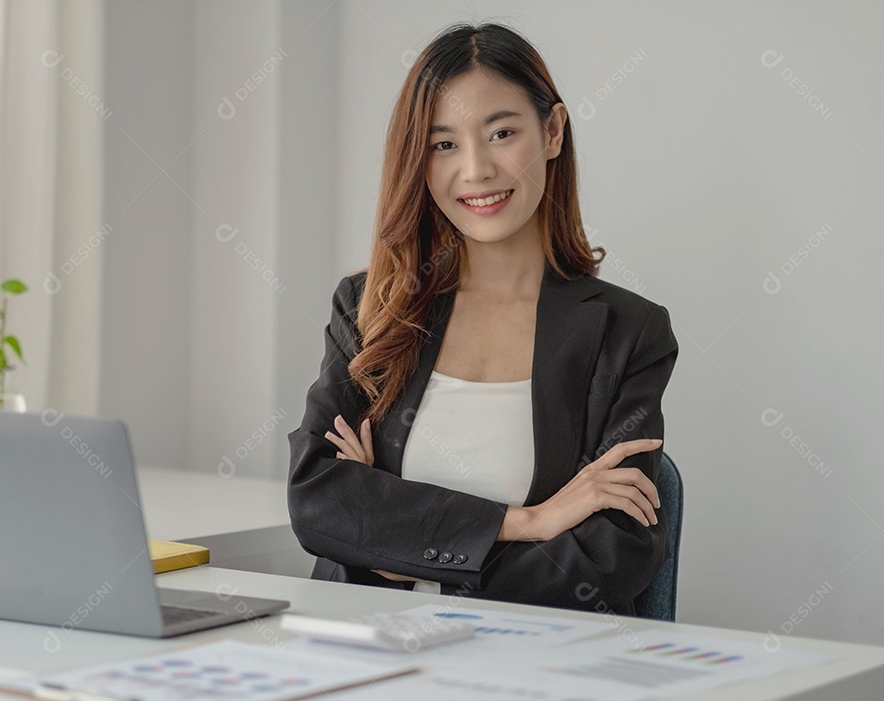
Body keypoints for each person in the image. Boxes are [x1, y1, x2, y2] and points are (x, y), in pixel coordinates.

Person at [287, 22, 678, 616]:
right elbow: (319, 502)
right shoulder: (372, 307)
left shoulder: (627, 332)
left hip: (537, 661)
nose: (475, 170)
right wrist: (530, 522)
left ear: (552, 132)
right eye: (444, 144)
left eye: (500, 133)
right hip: (371, 653)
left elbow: (612, 553)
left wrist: (404, 547)